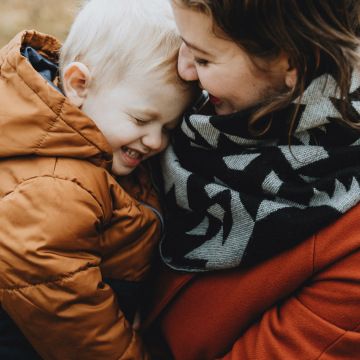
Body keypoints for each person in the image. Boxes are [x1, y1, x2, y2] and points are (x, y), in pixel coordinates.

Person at [144, 1, 360, 359]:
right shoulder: (206, 112)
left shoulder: (350, 249)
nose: (182, 69)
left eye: (203, 58)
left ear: (293, 62)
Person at [0, 0, 194, 359]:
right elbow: (68, 309)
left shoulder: (93, 153)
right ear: (78, 84)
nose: (156, 141)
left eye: (167, 127)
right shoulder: (55, 183)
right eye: (141, 120)